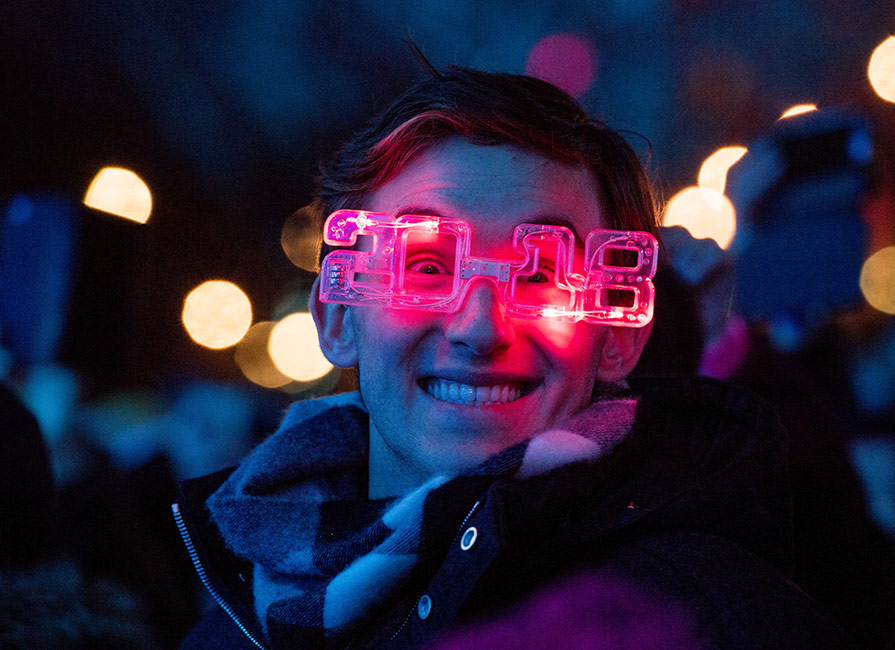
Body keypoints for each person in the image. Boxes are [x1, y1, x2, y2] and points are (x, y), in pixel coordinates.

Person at [174, 63, 848, 649]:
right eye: (427, 266)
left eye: (538, 274)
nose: (477, 327)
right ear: (338, 316)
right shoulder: (232, 624)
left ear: (617, 335)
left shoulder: (713, 620)